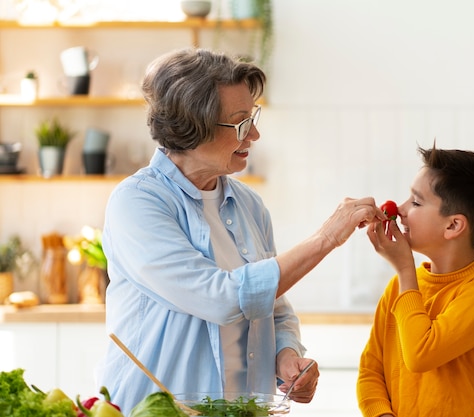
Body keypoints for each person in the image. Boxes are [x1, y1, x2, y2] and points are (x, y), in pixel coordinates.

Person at [95, 47, 384, 414]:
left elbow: (274, 308)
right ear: (191, 127)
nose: (255, 134)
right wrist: (325, 239)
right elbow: (221, 299)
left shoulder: (249, 205)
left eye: (253, 117)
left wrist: (286, 353)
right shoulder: (137, 203)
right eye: (240, 122)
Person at [357, 145, 474, 417]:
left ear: (453, 226)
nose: (399, 209)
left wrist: (405, 269)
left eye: (416, 202)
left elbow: (421, 354)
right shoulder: (400, 286)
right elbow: (371, 371)